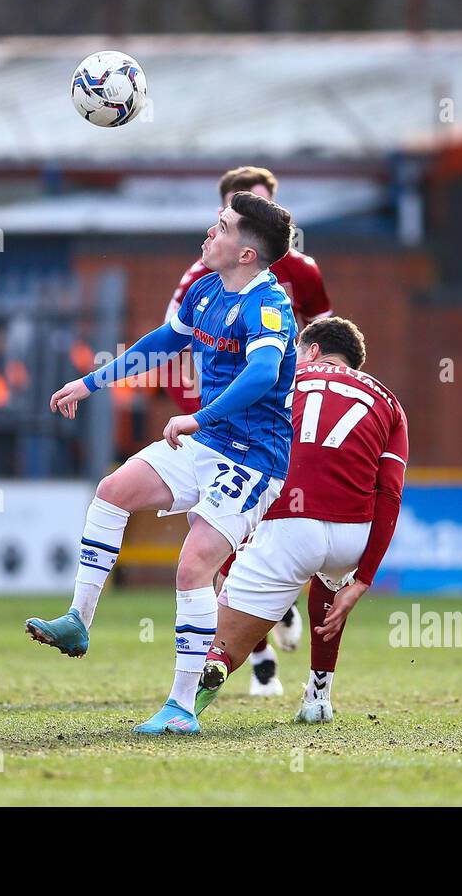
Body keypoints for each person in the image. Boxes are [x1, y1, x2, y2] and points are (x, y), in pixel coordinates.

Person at [25, 192, 297, 735]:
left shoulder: (269, 306)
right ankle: (78, 620)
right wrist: (90, 381)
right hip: (206, 441)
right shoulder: (203, 287)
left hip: (253, 461)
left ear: (246, 253)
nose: (209, 233)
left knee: (192, 568)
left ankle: (180, 706)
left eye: (220, 227)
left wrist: (201, 416)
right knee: (112, 492)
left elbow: (264, 374)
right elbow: (161, 343)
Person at [163, 166, 335, 695]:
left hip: (281, 413)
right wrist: (194, 408)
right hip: (218, 416)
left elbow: (326, 336)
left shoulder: (299, 273)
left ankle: (278, 603)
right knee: (222, 539)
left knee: (280, 521)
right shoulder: (201, 277)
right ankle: (256, 659)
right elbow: (172, 341)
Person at [194, 316, 408, 724]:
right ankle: (318, 697)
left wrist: (228, 558)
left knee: (220, 648)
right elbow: (390, 495)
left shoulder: (276, 377)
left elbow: (238, 456)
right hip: (352, 533)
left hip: (287, 527)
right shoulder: (388, 401)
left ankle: (187, 700)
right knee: (330, 581)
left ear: (309, 351)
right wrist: (363, 578)